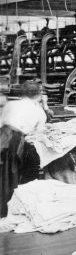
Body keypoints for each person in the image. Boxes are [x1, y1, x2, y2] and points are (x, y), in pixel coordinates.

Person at [0, 81, 47, 217]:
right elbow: (38, 133)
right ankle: (7, 210)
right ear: (39, 95)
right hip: (14, 140)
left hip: (2, 135)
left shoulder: (11, 104)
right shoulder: (39, 111)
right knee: (11, 174)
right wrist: (45, 105)